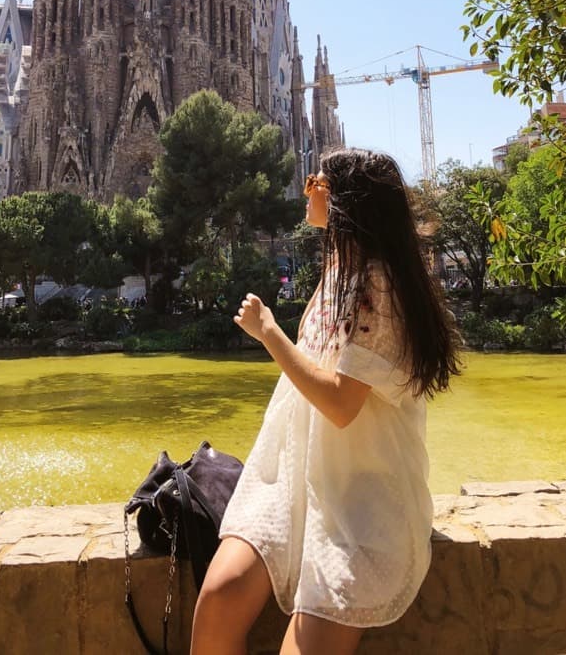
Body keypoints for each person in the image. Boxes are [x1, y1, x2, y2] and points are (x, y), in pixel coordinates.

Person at [191, 148, 461, 655]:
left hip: (361, 501)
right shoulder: (340, 269)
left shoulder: (376, 286)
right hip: (294, 484)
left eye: (317, 178)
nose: (306, 185)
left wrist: (270, 333)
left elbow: (340, 404)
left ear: (343, 200)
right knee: (219, 598)